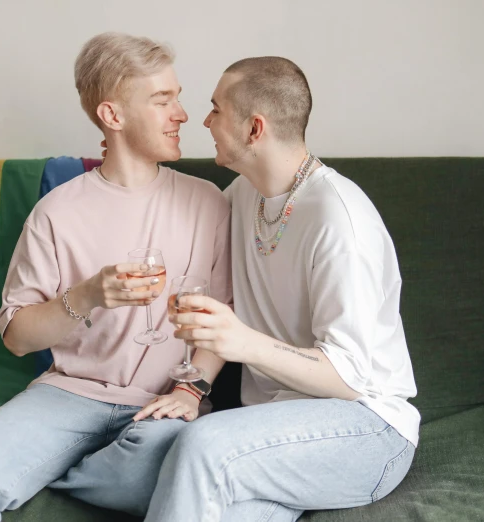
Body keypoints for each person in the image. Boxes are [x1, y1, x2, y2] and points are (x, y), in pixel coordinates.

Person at [0, 32, 231, 521]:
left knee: (178, 469)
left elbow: (222, 319)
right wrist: (88, 294)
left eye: (178, 98)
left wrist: (192, 390)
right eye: (163, 100)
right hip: (68, 397)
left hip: (164, 404)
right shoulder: (56, 212)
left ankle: (50, 470)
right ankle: (43, 460)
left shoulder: (209, 201)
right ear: (113, 116)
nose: (181, 114)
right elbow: (17, 337)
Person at [141, 57, 420, 522]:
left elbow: (351, 378)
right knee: (162, 462)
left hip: (369, 429)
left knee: (205, 444)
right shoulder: (243, 195)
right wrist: (192, 388)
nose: (202, 120)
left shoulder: (339, 220)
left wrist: (244, 342)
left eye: (216, 109)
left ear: (254, 129)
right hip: (273, 426)